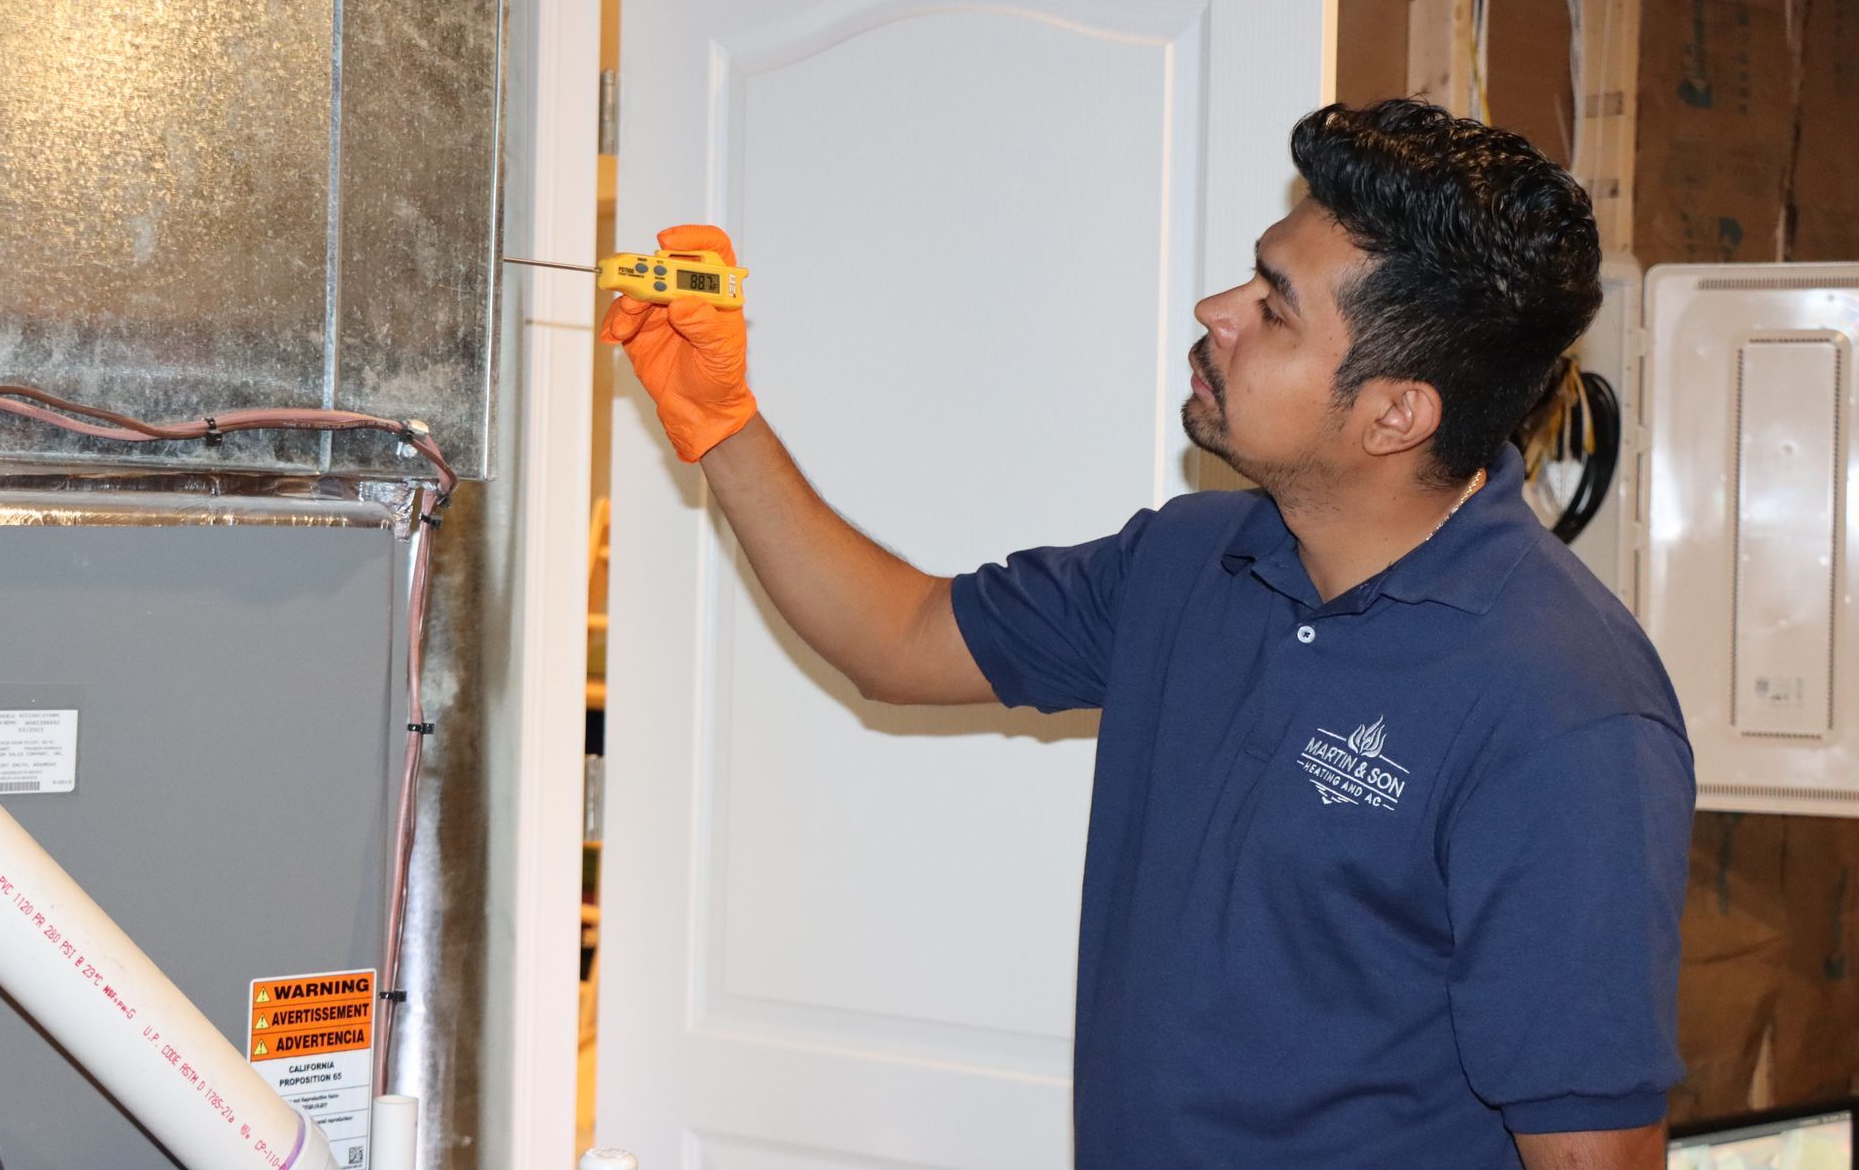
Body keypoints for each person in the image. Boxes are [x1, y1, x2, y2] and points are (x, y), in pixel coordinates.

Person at [601, 98, 1695, 1170]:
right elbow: (899, 634)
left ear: (1395, 413)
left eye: (1273, 307)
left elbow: (1592, 1151)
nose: (1216, 308)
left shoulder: (1564, 707)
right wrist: (720, 418)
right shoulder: (1192, 559)